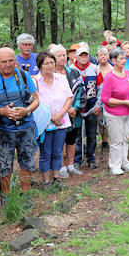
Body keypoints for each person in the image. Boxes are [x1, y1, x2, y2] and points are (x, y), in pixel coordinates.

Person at [0, 47, 40, 201]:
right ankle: (6, 197)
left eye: (11, 61)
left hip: (26, 127)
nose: (8, 64)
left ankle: (26, 194)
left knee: (27, 161)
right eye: (3, 62)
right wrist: (2, 112)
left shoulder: (23, 75)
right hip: (3, 130)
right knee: (4, 164)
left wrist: (26, 111)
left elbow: (36, 99)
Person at [34, 51, 73, 188]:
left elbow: (69, 97)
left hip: (62, 121)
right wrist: (51, 117)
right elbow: (35, 102)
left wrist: (61, 114)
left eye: (52, 63)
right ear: (40, 65)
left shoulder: (61, 79)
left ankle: (56, 177)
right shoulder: (36, 82)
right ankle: (45, 180)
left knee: (58, 151)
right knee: (45, 152)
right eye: (46, 63)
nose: (50, 66)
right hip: (45, 123)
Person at [101, 47, 129, 175]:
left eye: (124, 58)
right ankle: (114, 165)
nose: (124, 60)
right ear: (113, 61)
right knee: (116, 140)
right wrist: (124, 102)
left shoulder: (127, 73)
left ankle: (124, 162)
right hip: (114, 113)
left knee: (125, 138)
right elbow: (105, 99)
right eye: (121, 58)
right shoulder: (109, 77)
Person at [51, 45, 84, 178]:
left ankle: (71, 164)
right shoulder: (50, 74)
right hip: (58, 114)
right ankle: (61, 165)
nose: (63, 58)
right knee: (59, 140)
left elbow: (80, 92)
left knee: (71, 139)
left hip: (73, 113)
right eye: (59, 55)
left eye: (64, 55)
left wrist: (75, 108)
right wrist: (62, 111)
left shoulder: (73, 72)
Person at [71, 46, 100, 169]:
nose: (83, 57)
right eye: (81, 55)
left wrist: (98, 105)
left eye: (86, 55)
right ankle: (77, 160)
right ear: (76, 57)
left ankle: (91, 158)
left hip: (92, 107)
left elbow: (101, 88)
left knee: (92, 135)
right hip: (76, 109)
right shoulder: (71, 70)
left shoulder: (94, 69)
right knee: (76, 136)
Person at [95, 46, 112, 152]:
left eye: (105, 54)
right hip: (100, 98)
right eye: (101, 55)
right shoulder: (95, 68)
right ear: (97, 57)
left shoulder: (113, 68)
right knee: (101, 120)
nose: (103, 56)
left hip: (112, 98)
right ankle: (104, 140)